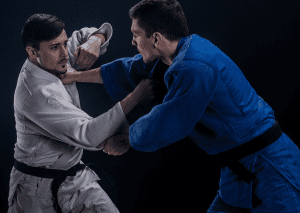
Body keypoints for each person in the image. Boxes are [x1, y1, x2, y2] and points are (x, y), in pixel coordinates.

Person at [63, 0, 300, 212]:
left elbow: (168, 121)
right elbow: (128, 70)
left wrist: (126, 138)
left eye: (136, 34)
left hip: (271, 167)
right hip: (237, 171)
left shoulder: (196, 66)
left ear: (155, 38)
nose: (132, 40)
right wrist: (74, 76)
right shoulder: (173, 56)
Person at [8, 13, 159, 213]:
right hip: (34, 190)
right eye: (55, 47)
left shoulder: (54, 57)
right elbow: (88, 135)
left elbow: (93, 32)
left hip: (75, 179)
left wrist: (95, 41)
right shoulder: (36, 94)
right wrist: (136, 97)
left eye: (64, 43)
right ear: (32, 51)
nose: (64, 53)